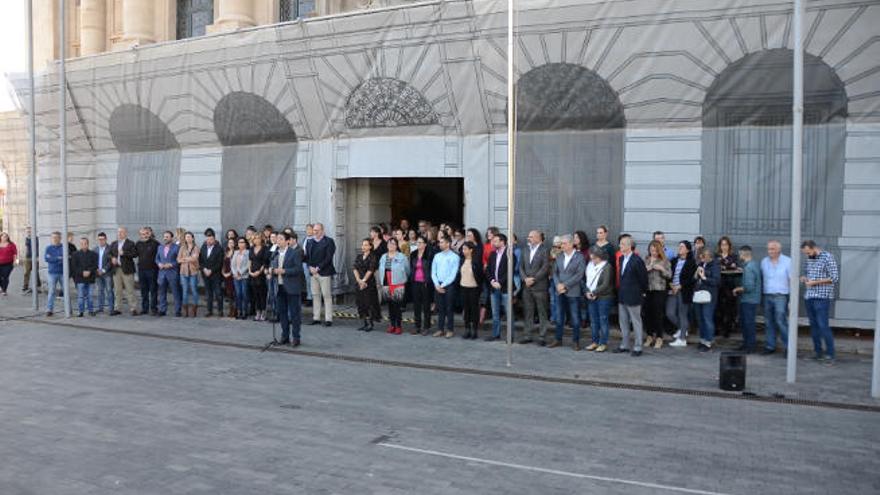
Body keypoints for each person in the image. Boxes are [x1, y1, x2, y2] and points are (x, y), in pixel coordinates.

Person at [800, 240, 839, 363]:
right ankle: (818, 352)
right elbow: (807, 273)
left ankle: (830, 354)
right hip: (809, 296)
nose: (807, 255)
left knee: (823, 326)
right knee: (814, 326)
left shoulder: (828, 257)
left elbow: (834, 277)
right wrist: (804, 277)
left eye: (808, 252)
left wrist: (815, 282)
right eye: (805, 253)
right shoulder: (809, 259)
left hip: (822, 297)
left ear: (814, 248)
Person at [550, 234, 585, 350]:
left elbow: (579, 275)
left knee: (575, 318)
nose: (562, 246)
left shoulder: (579, 257)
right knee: (559, 317)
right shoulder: (559, 256)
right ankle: (558, 339)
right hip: (559, 291)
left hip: (573, 291)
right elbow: (554, 272)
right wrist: (557, 284)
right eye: (561, 243)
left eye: (564, 243)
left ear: (571, 244)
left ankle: (575, 341)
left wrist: (564, 285)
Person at [614, 235, 648, 356]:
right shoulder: (622, 258)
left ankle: (638, 347)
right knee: (623, 322)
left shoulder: (637, 260)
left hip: (634, 296)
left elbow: (643, 279)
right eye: (620, 244)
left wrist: (642, 292)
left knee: (636, 322)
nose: (620, 246)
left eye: (623, 244)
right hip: (622, 295)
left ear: (629, 246)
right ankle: (625, 345)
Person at [270, 231, 305, 346]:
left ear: (287, 241)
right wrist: (271, 271)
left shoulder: (294, 253)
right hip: (279, 287)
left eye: (280, 239)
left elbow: (298, 269)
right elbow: (272, 266)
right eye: (277, 239)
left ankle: (296, 337)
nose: (278, 241)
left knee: (295, 314)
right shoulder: (275, 253)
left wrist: (284, 271)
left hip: (292, 287)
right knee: (282, 313)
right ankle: (285, 336)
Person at [519, 230, 550, 345]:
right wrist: (525, 279)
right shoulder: (525, 250)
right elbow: (520, 266)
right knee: (528, 311)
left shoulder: (545, 250)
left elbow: (545, 267)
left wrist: (533, 279)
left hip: (540, 286)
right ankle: (527, 335)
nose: (528, 238)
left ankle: (542, 336)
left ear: (538, 238)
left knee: (542, 312)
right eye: (528, 236)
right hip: (526, 286)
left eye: (531, 237)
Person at [761, 240, 791, 355]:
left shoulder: (788, 261)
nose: (770, 251)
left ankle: (789, 348)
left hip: (781, 296)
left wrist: (792, 299)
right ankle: (770, 346)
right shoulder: (764, 262)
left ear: (779, 249)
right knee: (769, 322)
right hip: (767, 295)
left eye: (772, 249)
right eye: (769, 249)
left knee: (781, 321)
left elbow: (792, 280)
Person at [667, 241, 697, 347]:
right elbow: (669, 274)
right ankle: (683, 328)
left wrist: (680, 286)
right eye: (679, 246)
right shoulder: (674, 260)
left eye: (682, 247)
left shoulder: (691, 262)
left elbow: (692, 279)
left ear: (687, 250)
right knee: (669, 313)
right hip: (672, 290)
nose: (679, 248)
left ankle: (682, 339)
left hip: (683, 291)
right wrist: (671, 285)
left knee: (682, 314)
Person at [377, 238, 410, 334]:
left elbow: (407, 270)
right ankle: (392, 325)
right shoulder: (383, 257)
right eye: (389, 243)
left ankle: (398, 326)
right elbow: (381, 269)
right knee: (390, 306)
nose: (391, 245)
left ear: (396, 245)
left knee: (397, 306)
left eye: (393, 243)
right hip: (387, 283)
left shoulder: (402, 257)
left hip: (398, 283)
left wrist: (402, 279)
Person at [584, 247, 614, 352]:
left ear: (600, 257)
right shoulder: (590, 265)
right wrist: (587, 292)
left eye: (594, 258)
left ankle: (603, 343)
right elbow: (587, 280)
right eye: (591, 257)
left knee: (603, 320)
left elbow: (605, 284)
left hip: (604, 297)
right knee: (593, 321)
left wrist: (594, 292)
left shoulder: (607, 267)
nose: (592, 260)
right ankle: (594, 342)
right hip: (591, 296)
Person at [733, 245, 761, 353]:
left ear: (743, 254)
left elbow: (749, 287)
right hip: (753, 300)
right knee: (748, 323)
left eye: (740, 254)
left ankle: (749, 346)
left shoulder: (748, 268)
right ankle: (747, 345)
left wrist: (736, 289)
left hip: (749, 300)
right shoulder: (753, 265)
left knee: (747, 324)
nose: (739, 256)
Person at [644, 240, 671, 349]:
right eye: (651, 250)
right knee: (647, 314)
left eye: (655, 250)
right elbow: (640, 273)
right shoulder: (646, 259)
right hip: (648, 290)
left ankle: (659, 337)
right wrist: (648, 267)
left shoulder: (665, 260)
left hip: (659, 290)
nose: (653, 252)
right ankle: (649, 336)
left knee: (658, 314)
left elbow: (669, 275)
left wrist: (662, 269)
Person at [307, 223, 336, 327]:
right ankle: (316, 318)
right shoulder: (310, 242)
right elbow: (307, 257)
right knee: (315, 295)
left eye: (318, 230)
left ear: (323, 231)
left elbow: (329, 257)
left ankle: (328, 319)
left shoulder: (329, 241)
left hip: (324, 272)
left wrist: (318, 268)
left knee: (326, 296)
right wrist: (310, 267)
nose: (315, 232)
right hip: (313, 272)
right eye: (314, 230)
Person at [485, 233, 512, 342]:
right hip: (493, 287)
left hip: (505, 287)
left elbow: (510, 270)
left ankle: (510, 336)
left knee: (508, 313)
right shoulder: (492, 254)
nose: (493, 243)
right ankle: (496, 334)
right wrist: (492, 281)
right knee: (495, 313)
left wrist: (500, 282)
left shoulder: (509, 254)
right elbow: (488, 270)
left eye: (495, 241)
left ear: (502, 242)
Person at [693, 247, 721, 352]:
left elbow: (716, 281)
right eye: (700, 256)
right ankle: (702, 340)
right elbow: (694, 279)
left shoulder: (715, 265)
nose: (701, 258)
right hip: (699, 294)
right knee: (700, 319)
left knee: (707, 318)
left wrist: (704, 277)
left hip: (709, 296)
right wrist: (696, 275)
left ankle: (708, 341)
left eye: (703, 256)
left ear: (708, 256)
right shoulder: (700, 264)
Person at [432, 236, 460, 339]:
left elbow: (453, 274)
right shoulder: (437, 256)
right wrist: (436, 284)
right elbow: (433, 271)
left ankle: (450, 330)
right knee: (440, 308)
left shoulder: (455, 257)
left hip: (449, 285)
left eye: (442, 242)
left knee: (449, 308)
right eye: (439, 242)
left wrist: (442, 285)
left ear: (448, 244)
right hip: (438, 284)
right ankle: (440, 329)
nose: (440, 244)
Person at [715, 236, 741, 338]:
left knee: (729, 309)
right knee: (718, 308)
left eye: (726, 244)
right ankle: (717, 328)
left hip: (730, 284)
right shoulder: (716, 255)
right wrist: (729, 266)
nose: (724, 247)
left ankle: (727, 330)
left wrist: (726, 267)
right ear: (719, 246)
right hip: (719, 284)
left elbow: (736, 268)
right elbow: (716, 267)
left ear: (729, 246)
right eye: (722, 244)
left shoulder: (733, 256)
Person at [353, 238, 381, 331]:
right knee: (361, 303)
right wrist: (359, 280)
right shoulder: (359, 256)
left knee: (369, 303)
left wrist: (364, 281)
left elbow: (371, 270)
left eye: (366, 245)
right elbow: (355, 268)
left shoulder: (373, 256)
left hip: (369, 283)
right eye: (363, 245)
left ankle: (370, 324)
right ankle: (364, 323)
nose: (363, 247)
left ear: (370, 246)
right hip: (359, 282)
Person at [457, 241, 484, 340]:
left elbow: (480, 276)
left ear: (471, 250)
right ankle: (467, 329)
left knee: (474, 309)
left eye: (465, 249)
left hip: (474, 288)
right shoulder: (462, 260)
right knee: (466, 309)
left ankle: (474, 330)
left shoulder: (476, 261)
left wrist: (479, 287)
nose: (463, 251)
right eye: (463, 249)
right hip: (463, 287)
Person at [109, 227, 138, 316]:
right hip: (116, 269)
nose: (120, 234)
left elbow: (134, 254)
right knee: (117, 290)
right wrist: (112, 258)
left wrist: (124, 253)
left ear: (126, 233)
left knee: (130, 290)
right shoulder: (114, 243)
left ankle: (133, 308)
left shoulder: (130, 243)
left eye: (122, 232)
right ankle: (118, 308)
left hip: (127, 269)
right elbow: (109, 253)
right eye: (118, 232)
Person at [409, 236, 434, 335]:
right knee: (416, 306)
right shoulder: (413, 254)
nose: (418, 244)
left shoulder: (429, 254)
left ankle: (426, 327)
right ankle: (417, 326)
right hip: (415, 282)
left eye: (420, 242)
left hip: (425, 283)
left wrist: (429, 281)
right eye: (417, 243)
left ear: (425, 244)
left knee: (426, 306)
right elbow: (411, 268)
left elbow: (432, 269)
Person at [199, 228, 225, 318]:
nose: (209, 240)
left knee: (218, 293)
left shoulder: (219, 248)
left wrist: (211, 270)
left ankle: (220, 310)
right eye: (207, 238)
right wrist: (204, 269)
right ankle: (209, 310)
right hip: (205, 274)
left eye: (211, 239)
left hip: (215, 275)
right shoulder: (203, 247)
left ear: (214, 239)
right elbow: (200, 261)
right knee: (208, 293)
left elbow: (220, 262)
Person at [155, 231, 181, 317]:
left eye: (167, 236)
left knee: (176, 292)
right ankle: (162, 310)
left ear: (171, 238)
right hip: (162, 273)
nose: (165, 238)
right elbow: (157, 259)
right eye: (164, 236)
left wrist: (171, 264)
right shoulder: (160, 247)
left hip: (172, 273)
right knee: (162, 293)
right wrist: (159, 264)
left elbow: (179, 260)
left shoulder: (177, 248)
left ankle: (177, 310)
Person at [135, 227, 160, 316]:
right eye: (142, 234)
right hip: (141, 270)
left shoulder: (156, 244)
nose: (144, 235)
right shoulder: (138, 243)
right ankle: (144, 308)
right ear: (140, 235)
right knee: (143, 290)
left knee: (153, 290)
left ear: (150, 233)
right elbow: (134, 254)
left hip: (152, 270)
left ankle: (154, 308)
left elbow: (159, 256)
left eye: (146, 233)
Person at [70, 236, 98, 317]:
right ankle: (81, 311)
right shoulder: (75, 254)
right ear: (80, 244)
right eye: (82, 244)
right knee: (80, 296)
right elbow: (74, 267)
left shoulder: (93, 254)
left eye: (85, 243)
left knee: (90, 296)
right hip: (80, 279)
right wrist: (82, 272)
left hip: (90, 278)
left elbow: (95, 265)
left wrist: (89, 271)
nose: (83, 245)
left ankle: (90, 310)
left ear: (88, 244)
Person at [177, 232, 200, 317]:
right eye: (186, 237)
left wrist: (184, 259)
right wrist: (188, 259)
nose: (188, 238)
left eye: (189, 237)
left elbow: (194, 259)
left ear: (193, 238)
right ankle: (185, 310)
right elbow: (178, 260)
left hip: (193, 272)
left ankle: (194, 309)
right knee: (185, 290)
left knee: (194, 290)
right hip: (183, 272)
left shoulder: (196, 248)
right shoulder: (182, 248)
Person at [248, 235, 270, 321]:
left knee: (262, 294)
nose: (256, 240)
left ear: (261, 239)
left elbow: (265, 262)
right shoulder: (251, 249)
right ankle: (258, 312)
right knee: (255, 294)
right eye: (254, 238)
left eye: (258, 238)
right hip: (252, 273)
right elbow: (250, 260)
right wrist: (250, 271)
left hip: (261, 274)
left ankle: (263, 312)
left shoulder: (265, 248)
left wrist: (259, 272)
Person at [44, 232, 66, 316]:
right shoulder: (48, 248)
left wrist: (53, 258)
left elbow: (65, 258)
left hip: (63, 272)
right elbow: (47, 259)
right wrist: (58, 258)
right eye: (53, 237)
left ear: (60, 238)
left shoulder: (64, 247)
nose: (55, 239)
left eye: (57, 237)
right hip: (52, 273)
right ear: (51, 238)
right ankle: (49, 309)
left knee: (65, 291)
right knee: (52, 291)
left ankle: (69, 309)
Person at [94, 232, 114, 313]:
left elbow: (111, 262)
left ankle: (111, 308)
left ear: (106, 239)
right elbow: (93, 261)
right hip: (98, 274)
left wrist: (103, 270)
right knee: (100, 291)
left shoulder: (110, 249)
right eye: (99, 239)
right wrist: (97, 270)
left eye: (102, 239)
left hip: (107, 273)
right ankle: (100, 308)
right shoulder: (95, 249)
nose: (101, 241)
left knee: (109, 290)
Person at [231, 237, 250, 320]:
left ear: (245, 244)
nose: (240, 244)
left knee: (244, 294)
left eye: (242, 242)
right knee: (238, 294)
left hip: (244, 276)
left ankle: (244, 311)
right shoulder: (235, 252)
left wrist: (241, 272)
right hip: (236, 276)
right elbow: (232, 265)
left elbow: (248, 265)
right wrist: (235, 273)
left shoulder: (248, 252)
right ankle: (239, 311)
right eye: (239, 242)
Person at [21, 226, 40, 294]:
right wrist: (24, 257)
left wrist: (38, 257)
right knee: (26, 272)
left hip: (35, 257)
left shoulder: (36, 238)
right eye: (28, 232)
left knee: (36, 272)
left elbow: (38, 248)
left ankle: (38, 286)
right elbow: (27, 247)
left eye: (30, 231)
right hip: (28, 257)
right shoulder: (27, 239)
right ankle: (25, 286)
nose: (29, 233)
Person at [222, 238, 237, 318]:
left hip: (233, 275)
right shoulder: (226, 253)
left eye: (232, 242)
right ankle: (230, 309)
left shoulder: (236, 253)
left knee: (234, 293)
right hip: (226, 276)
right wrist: (223, 273)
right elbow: (223, 264)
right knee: (229, 294)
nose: (230, 244)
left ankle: (235, 310)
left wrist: (230, 273)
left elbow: (235, 265)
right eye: (229, 242)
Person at [0, 232, 18, 296]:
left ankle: (4, 290)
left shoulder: (11, 244)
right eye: (4, 236)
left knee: (5, 276)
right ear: (1, 237)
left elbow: (15, 253)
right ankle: (2, 287)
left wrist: (15, 261)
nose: (5, 238)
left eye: (6, 236)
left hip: (8, 264)